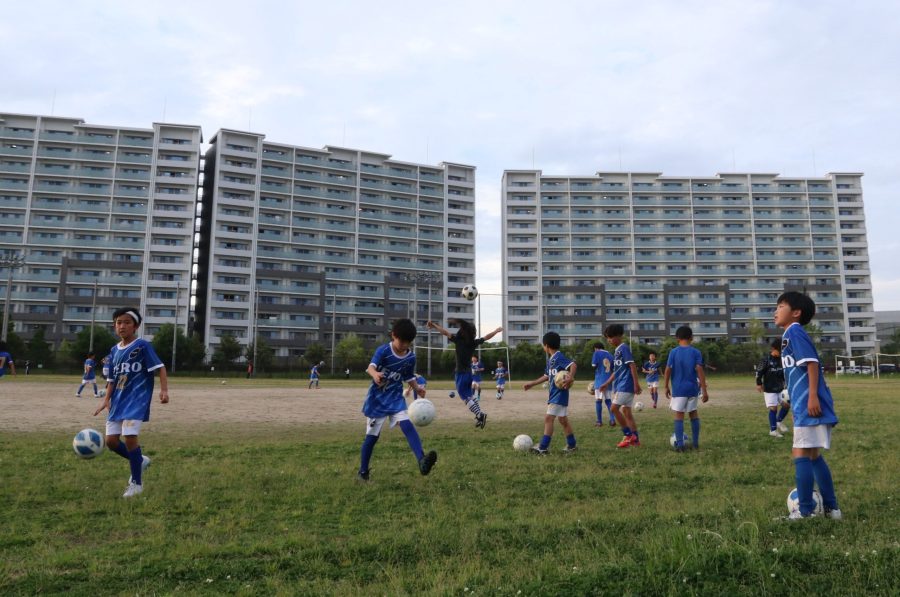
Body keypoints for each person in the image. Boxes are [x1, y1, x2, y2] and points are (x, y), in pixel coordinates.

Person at [774, 291, 841, 519]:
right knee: (812, 454)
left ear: (796, 312)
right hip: (804, 404)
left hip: (810, 403)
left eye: (780, 306)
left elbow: (812, 364)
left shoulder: (794, 332)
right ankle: (832, 509)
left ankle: (805, 511)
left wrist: (811, 397)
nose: (775, 311)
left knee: (800, 452)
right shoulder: (790, 334)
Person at [93, 308, 169, 498]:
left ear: (136, 326)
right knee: (111, 442)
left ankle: (136, 484)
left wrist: (164, 390)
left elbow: (160, 367)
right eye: (119, 322)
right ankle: (140, 460)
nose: (122, 326)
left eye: (127, 322)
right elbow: (112, 379)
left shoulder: (142, 346)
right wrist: (106, 399)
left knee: (129, 438)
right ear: (114, 326)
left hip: (137, 399)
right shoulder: (114, 351)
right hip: (118, 400)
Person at [357, 318, 436, 482]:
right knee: (372, 437)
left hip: (395, 398)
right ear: (393, 335)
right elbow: (371, 367)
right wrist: (375, 374)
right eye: (402, 341)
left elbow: (408, 376)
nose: (405, 345)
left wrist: (417, 388)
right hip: (377, 399)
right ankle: (363, 472)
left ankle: (421, 460)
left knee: (407, 424)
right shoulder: (384, 351)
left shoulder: (410, 357)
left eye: (408, 342)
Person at [426, 319, 502, 429]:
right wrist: (496, 331)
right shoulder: (473, 343)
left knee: (465, 398)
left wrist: (434, 325)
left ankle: (480, 415)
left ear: (462, 332)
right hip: (469, 374)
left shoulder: (458, 341)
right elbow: (486, 337)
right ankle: (480, 415)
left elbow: (445, 332)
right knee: (470, 396)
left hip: (461, 374)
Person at [523, 331, 577, 454]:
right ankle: (572, 445)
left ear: (546, 346)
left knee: (548, 418)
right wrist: (532, 383)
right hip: (555, 394)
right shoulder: (551, 360)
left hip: (559, 394)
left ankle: (543, 447)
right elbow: (546, 376)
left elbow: (573, 365)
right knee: (562, 420)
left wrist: (570, 377)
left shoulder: (558, 357)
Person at [664, 326, 709, 451]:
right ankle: (695, 444)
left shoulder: (673, 352)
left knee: (679, 415)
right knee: (693, 414)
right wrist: (704, 390)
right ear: (691, 338)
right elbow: (700, 370)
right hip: (692, 389)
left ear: (677, 338)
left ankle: (680, 445)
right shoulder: (696, 352)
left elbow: (668, 370)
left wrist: (666, 386)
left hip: (679, 389)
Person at [598, 324, 642, 448]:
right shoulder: (617, 351)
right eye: (607, 338)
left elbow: (632, 365)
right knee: (626, 412)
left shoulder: (624, 348)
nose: (609, 340)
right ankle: (635, 440)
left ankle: (628, 435)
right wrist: (606, 383)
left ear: (619, 336)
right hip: (621, 385)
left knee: (613, 409)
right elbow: (616, 372)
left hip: (625, 385)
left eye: (611, 337)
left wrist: (636, 384)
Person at [756, 339, 791, 438]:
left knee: (786, 405)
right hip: (769, 388)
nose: (781, 352)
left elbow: (784, 373)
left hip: (780, 388)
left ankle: (779, 422)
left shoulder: (782, 360)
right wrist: (759, 383)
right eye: (780, 350)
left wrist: (786, 383)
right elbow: (759, 372)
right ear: (773, 349)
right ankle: (773, 430)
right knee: (773, 408)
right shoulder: (766, 359)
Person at [591, 341, 615, 427]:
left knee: (598, 401)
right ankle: (612, 419)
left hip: (600, 381)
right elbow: (613, 369)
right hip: (608, 380)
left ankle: (599, 421)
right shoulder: (611, 355)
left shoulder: (596, 353)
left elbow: (593, 365)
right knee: (608, 400)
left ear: (596, 348)